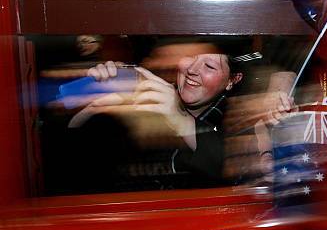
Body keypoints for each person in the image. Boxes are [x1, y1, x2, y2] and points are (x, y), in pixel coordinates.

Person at [68, 41, 274, 188]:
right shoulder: (146, 104)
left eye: (209, 65)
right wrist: (90, 111)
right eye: (187, 60)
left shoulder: (242, 116)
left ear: (232, 80)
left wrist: (180, 119)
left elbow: (232, 179)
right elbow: (79, 175)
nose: (192, 70)